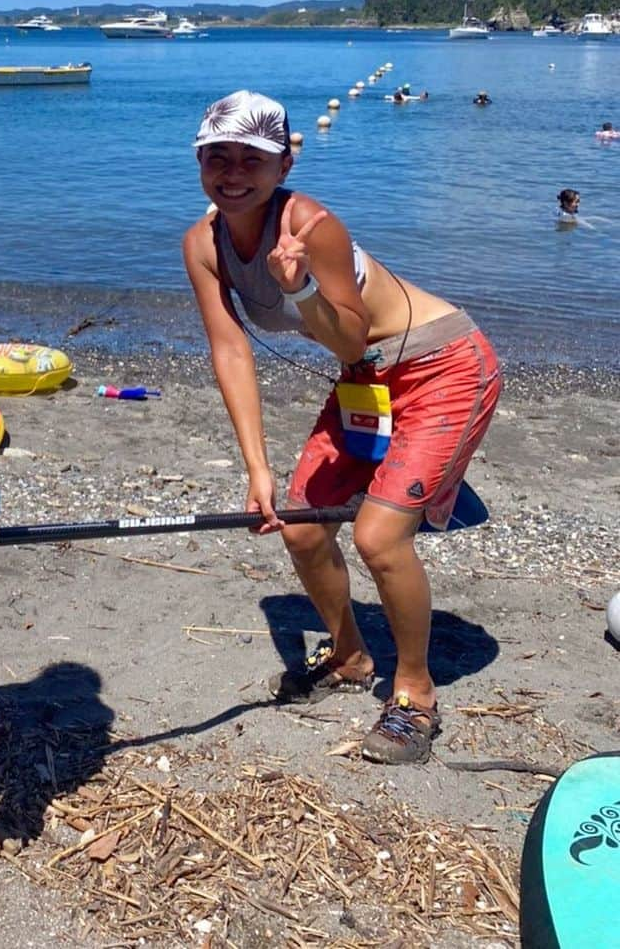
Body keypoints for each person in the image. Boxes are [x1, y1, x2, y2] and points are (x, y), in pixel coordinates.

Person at [182, 91, 502, 764]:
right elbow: (231, 350)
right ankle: (351, 656)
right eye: (219, 156)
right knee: (299, 523)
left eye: (252, 159)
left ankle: (414, 693)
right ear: (199, 159)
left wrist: (297, 289)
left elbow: (348, 332)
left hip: (443, 363)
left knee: (379, 537)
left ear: (283, 163)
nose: (233, 172)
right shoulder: (202, 244)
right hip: (367, 382)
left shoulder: (312, 225)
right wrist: (257, 468)